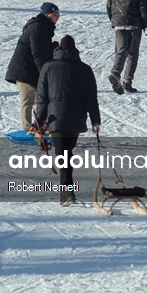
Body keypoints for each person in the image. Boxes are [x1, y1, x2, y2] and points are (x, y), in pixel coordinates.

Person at [35, 35, 101, 206]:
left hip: (55, 118)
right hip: (76, 119)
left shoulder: (48, 67)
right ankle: (67, 191)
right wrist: (95, 120)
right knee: (66, 153)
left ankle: (67, 193)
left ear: (58, 49)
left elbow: (42, 97)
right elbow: (91, 98)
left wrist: (40, 120)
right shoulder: (85, 69)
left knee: (64, 154)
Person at [5, 2, 60, 130]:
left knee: (39, 100)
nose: (57, 16)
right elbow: (37, 52)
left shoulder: (45, 27)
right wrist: (43, 72)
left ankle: (39, 127)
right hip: (23, 70)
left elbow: (42, 51)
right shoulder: (37, 27)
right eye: (55, 13)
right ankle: (28, 128)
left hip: (32, 69)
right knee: (28, 100)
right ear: (46, 14)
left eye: (58, 14)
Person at [106, 0, 147, 94]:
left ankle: (115, 73)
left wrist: (114, 20)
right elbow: (144, 7)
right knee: (132, 53)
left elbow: (109, 3)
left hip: (119, 23)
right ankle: (127, 82)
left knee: (121, 50)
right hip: (134, 24)